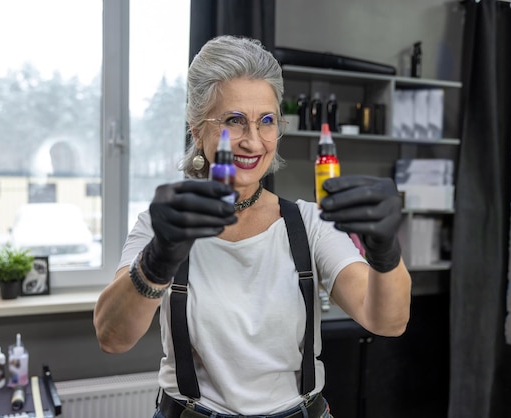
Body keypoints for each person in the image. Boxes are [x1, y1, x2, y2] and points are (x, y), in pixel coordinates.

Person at [94, 35, 411, 418]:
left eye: (266, 121)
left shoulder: (308, 225)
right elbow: (112, 337)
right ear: (197, 130)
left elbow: (388, 321)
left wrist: (385, 252)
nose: (253, 141)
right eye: (234, 121)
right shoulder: (163, 224)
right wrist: (156, 262)